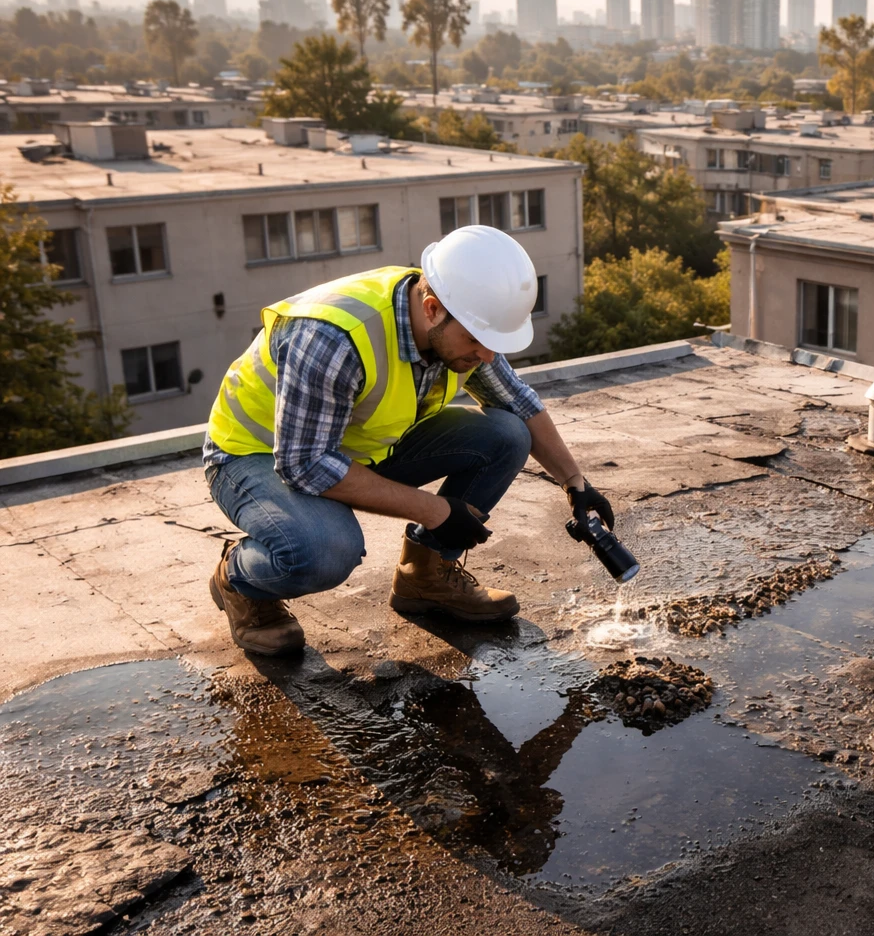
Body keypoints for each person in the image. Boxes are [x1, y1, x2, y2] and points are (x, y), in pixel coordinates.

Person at [203, 225, 616, 657]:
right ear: (433, 309)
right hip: (255, 454)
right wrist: (437, 511)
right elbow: (303, 465)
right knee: (325, 550)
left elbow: (518, 401)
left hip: (357, 448)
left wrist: (575, 482)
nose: (487, 356)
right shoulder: (334, 337)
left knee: (507, 433)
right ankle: (240, 579)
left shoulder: (458, 323)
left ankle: (426, 578)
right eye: (478, 342)